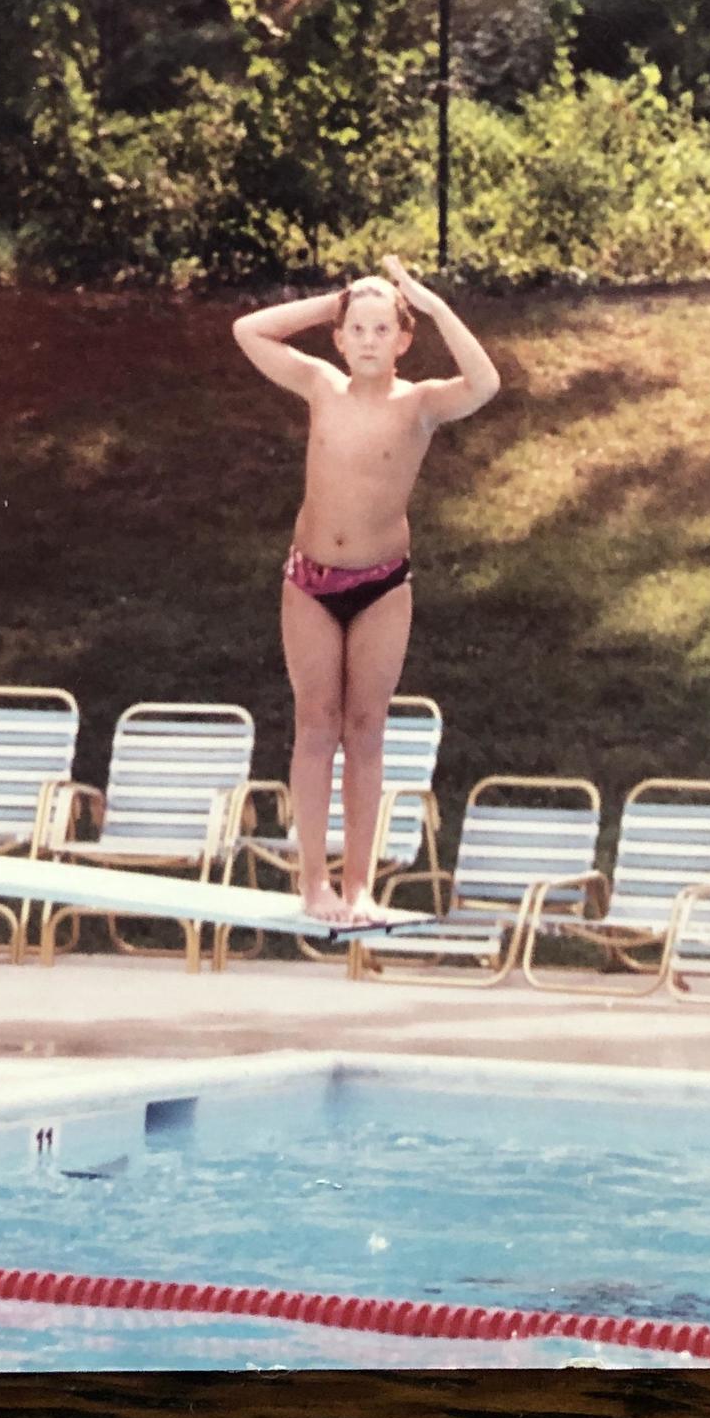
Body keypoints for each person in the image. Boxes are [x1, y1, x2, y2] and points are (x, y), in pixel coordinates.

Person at [232, 256, 499, 924]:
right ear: (341, 338)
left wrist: (432, 304)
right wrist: (334, 300)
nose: (372, 339)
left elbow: (487, 381)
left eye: (384, 328)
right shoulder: (322, 385)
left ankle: (360, 887)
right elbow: (249, 330)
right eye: (359, 328)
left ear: (404, 341)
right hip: (311, 581)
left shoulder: (422, 403)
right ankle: (314, 885)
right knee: (316, 725)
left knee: (368, 729)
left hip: (382, 584)